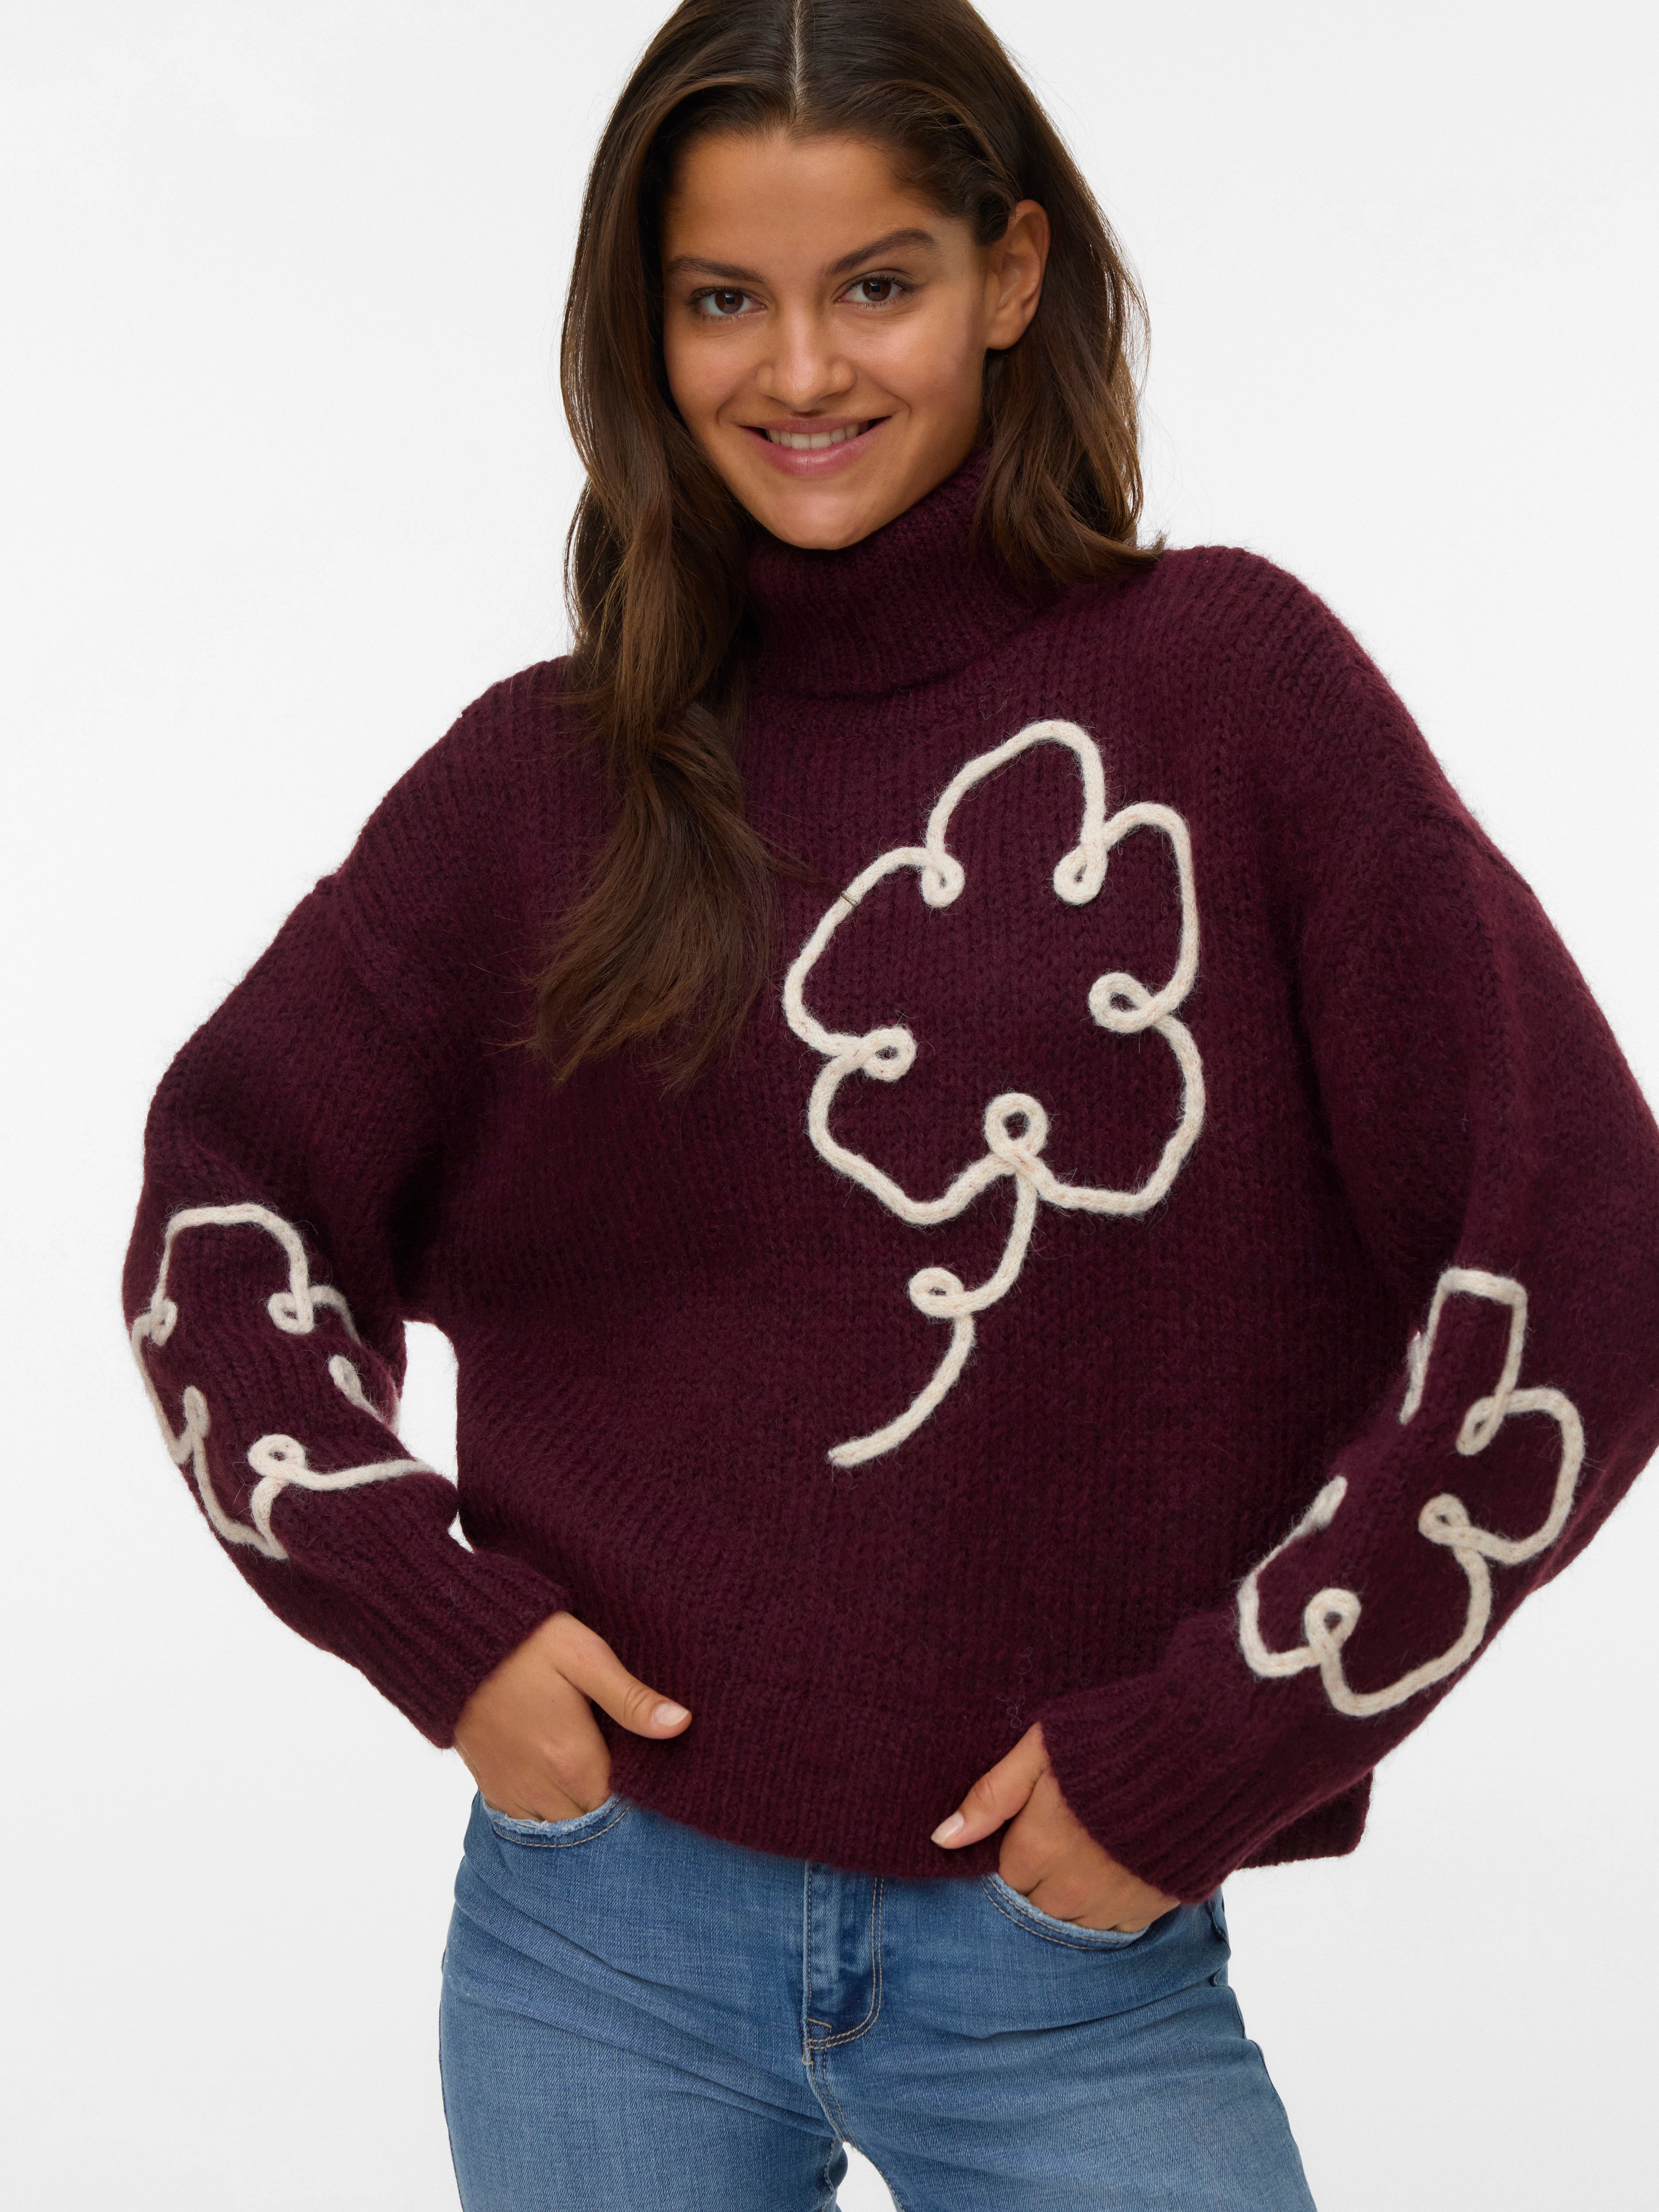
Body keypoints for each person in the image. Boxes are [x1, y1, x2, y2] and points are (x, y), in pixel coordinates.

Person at [121, 1, 1659, 2206]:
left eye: (874, 284)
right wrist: (426, 1616)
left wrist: (1221, 1740)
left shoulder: (1230, 698)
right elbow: (226, 1200)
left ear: (1008, 275)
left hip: (1064, 1969)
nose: (799, 369)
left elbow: (1585, 1259)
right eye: (718, 300)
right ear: (641, 323)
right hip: (592, 1942)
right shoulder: (547, 776)